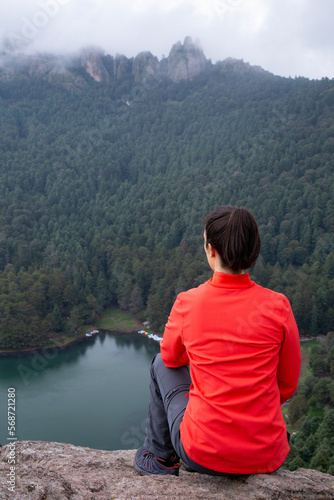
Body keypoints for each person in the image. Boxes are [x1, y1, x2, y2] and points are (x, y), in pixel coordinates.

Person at [134, 205, 301, 476]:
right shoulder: (278, 306)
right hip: (266, 453)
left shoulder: (188, 303)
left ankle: (161, 458)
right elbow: (287, 384)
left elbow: (171, 359)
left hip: (202, 453)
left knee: (159, 365)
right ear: (254, 251)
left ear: (211, 250)